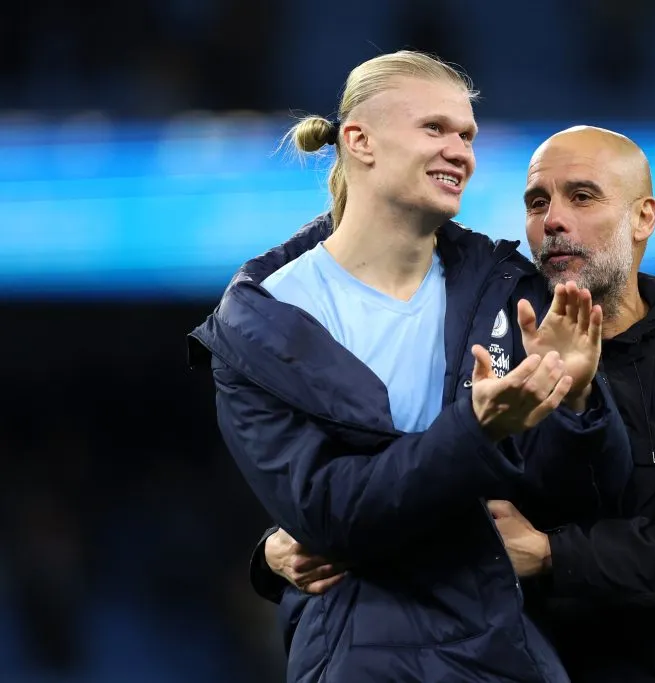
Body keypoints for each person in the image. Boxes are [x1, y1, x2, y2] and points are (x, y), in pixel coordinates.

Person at [257, 125, 655, 682]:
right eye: (538, 202)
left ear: (643, 218)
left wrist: (552, 554)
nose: (553, 221)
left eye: (582, 197)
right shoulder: (486, 345)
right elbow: (402, 468)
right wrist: (277, 547)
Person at [186, 53, 632, 683]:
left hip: (506, 651)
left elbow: (589, 500)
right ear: (358, 140)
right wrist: (477, 432)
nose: (460, 151)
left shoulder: (507, 293)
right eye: (435, 129)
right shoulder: (261, 325)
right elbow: (333, 515)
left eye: (467, 135)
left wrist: (579, 401)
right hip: (361, 654)